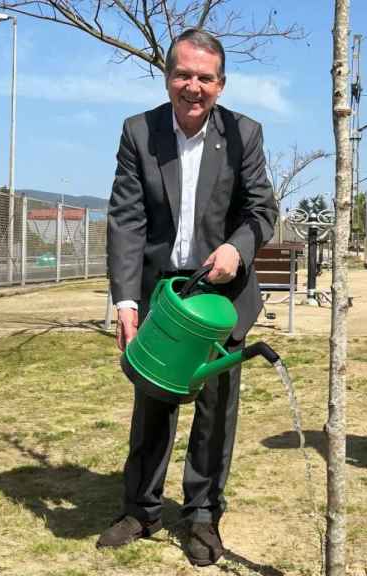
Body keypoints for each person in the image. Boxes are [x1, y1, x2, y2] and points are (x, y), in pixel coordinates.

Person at [99, 28, 278, 565]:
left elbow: (262, 210)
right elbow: (126, 220)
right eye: (183, 75)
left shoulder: (244, 134)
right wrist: (126, 302)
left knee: (215, 414)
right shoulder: (139, 132)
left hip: (222, 298)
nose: (192, 87)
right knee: (152, 405)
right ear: (167, 77)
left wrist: (237, 249)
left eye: (204, 78)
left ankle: (202, 516)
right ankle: (141, 509)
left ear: (221, 84)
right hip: (163, 295)